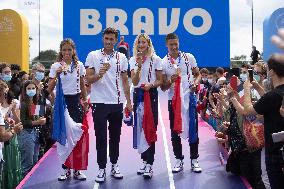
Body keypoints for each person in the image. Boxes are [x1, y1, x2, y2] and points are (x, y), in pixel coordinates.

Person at [85, 27, 132, 183]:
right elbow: (88, 79)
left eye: (112, 39)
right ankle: (101, 168)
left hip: (116, 103)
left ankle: (114, 165)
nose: (109, 42)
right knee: (101, 138)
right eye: (106, 39)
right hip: (99, 103)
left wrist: (128, 101)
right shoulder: (93, 55)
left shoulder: (122, 58)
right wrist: (100, 74)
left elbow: (125, 80)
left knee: (115, 137)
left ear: (116, 40)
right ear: (102, 39)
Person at [48, 38, 88, 181]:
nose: (66, 52)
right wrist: (57, 75)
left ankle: (77, 169)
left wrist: (85, 101)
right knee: (64, 138)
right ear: (61, 51)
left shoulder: (80, 65)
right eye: (64, 50)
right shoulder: (55, 66)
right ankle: (65, 169)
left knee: (77, 136)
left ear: (73, 51)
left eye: (69, 50)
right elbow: (49, 88)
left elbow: (83, 86)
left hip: (76, 103)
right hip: (62, 104)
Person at [161, 33, 202, 173]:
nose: (174, 47)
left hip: (189, 98)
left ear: (178, 43)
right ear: (166, 45)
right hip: (173, 101)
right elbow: (163, 87)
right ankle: (179, 160)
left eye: (176, 44)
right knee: (174, 131)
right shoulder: (163, 62)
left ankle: (194, 159)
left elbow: (198, 74)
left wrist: (195, 84)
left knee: (193, 129)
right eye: (171, 44)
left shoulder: (188, 57)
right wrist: (170, 81)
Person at [243, 54, 284, 189]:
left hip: (275, 153)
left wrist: (247, 89)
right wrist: (258, 88)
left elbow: (248, 109)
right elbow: (269, 101)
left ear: (271, 71)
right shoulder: (274, 95)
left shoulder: (272, 96)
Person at [129, 33, 163, 179]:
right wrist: (138, 65)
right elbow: (135, 81)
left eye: (144, 42)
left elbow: (160, 80)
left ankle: (150, 163)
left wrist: (152, 85)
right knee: (140, 128)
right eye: (139, 42)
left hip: (151, 95)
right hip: (138, 94)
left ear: (148, 44)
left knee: (150, 128)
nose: (142, 45)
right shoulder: (133, 60)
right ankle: (144, 161)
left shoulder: (156, 59)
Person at [18, 80, 46, 176]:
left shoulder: (35, 102)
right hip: (27, 133)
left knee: (35, 162)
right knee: (27, 164)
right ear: (24, 91)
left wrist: (41, 119)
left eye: (33, 88)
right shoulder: (23, 104)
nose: (31, 90)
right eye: (29, 88)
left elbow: (37, 117)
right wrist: (38, 121)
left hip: (36, 133)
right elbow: (24, 122)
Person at [0, 104, 22, 189]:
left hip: (10, 140)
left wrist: (8, 119)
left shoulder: (16, 103)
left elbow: (19, 121)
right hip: (6, 140)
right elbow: (2, 137)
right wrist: (14, 130)